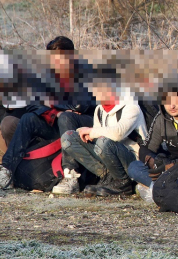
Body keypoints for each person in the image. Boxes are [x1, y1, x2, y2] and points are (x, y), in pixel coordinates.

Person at [0, 37, 95, 192]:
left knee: (66, 117)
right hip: (58, 124)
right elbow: (32, 103)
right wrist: (55, 112)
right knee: (28, 118)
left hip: (84, 125)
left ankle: (70, 177)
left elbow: (80, 105)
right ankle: (6, 172)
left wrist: (52, 103)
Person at [57, 67, 148, 196]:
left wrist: (91, 131)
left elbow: (117, 134)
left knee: (104, 141)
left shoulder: (131, 106)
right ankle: (108, 178)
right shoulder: (99, 109)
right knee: (69, 138)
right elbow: (97, 136)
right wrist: (86, 133)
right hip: (110, 157)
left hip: (133, 160)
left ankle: (123, 183)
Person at [128, 77, 178, 203]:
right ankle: (160, 187)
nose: (171, 106)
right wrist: (153, 161)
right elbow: (146, 147)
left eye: (177, 101)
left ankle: (160, 188)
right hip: (170, 167)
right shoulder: (160, 119)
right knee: (134, 167)